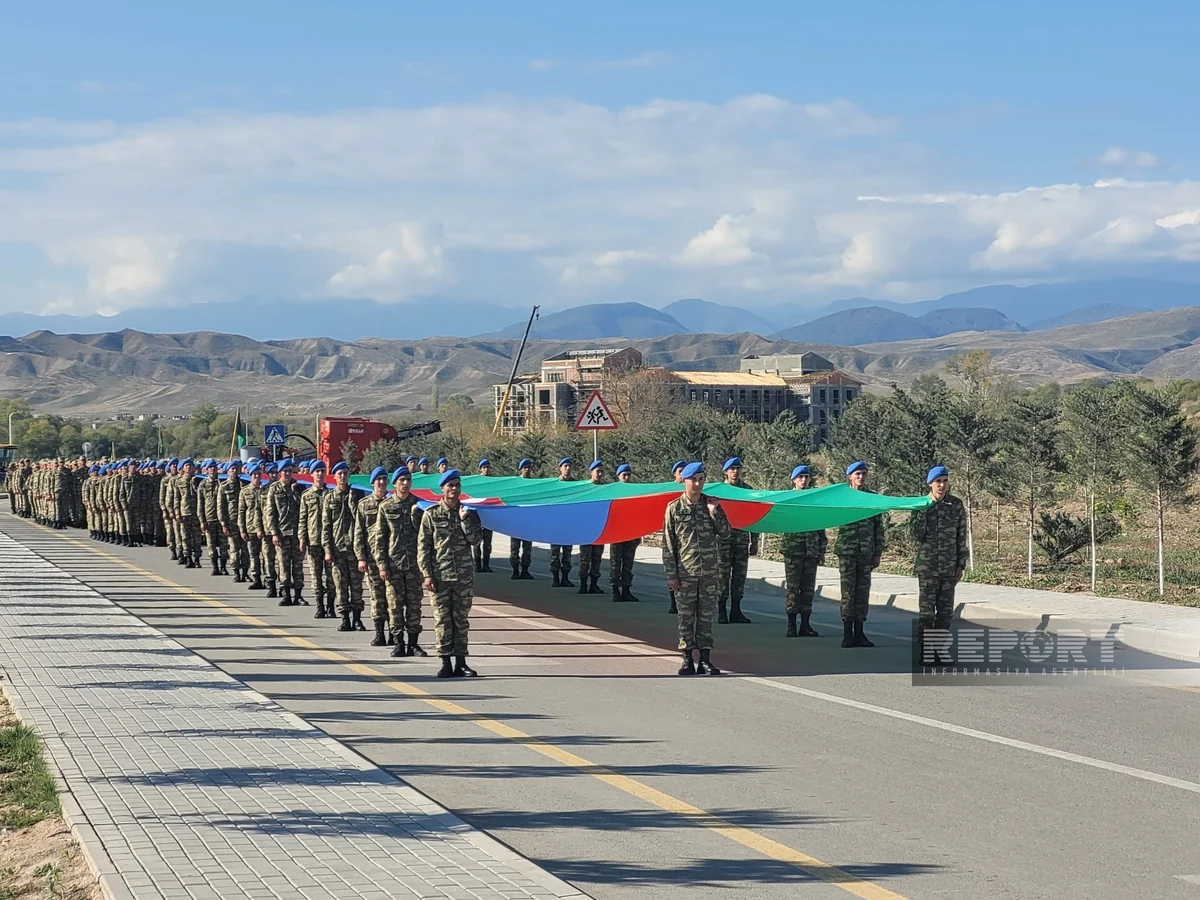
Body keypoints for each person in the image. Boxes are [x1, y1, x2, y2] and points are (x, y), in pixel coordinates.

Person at [663, 462, 731, 676]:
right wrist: (671, 575)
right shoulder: (674, 508)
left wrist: (714, 512)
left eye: (701, 479)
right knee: (686, 617)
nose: (698, 483)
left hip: (709, 573)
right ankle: (686, 659)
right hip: (685, 573)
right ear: (684, 480)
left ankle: (705, 660)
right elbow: (668, 544)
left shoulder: (711, 505)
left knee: (706, 616)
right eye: (694, 479)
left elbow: (727, 532)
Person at [418, 469, 484, 677]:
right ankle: (445, 661)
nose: (454, 489)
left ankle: (461, 662)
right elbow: (424, 547)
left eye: (457, 485)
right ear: (443, 489)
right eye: (450, 485)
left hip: (463, 576)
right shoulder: (431, 514)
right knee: (442, 620)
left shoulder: (469, 513)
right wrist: (427, 574)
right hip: (440, 576)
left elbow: (476, 541)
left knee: (461, 620)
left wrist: (465, 520)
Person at [911, 465, 968, 665]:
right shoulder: (921, 504)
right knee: (927, 613)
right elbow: (917, 535)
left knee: (944, 613)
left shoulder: (956, 505)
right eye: (938, 481)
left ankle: (938, 651)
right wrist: (925, 510)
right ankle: (925, 652)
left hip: (949, 567)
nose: (942, 485)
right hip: (928, 567)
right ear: (930, 483)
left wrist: (961, 563)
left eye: (944, 481)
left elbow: (962, 535)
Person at [375, 466, 427, 658]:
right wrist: (382, 565)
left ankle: (414, 644)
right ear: (395, 483)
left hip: (414, 565)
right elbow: (379, 538)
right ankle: (398, 643)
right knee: (395, 606)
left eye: (408, 480)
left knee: (414, 605)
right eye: (402, 480)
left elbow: (426, 537)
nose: (405, 484)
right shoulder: (386, 507)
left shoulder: (419, 505)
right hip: (393, 564)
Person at [834, 461, 885, 648]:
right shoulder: (842, 496)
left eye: (864, 473)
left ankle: (860, 632)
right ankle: (847, 633)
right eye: (857, 474)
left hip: (866, 552)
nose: (861, 477)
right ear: (850, 476)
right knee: (848, 593)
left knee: (862, 593)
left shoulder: (872, 498)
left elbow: (879, 527)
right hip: (847, 552)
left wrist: (877, 551)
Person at [781, 465, 825, 637]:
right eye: (800, 477)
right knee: (793, 588)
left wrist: (821, 549)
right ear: (793, 480)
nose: (804, 480)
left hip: (811, 551)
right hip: (793, 550)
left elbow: (820, 525)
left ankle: (805, 625)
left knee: (808, 589)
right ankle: (791, 624)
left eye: (806, 477)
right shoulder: (788, 499)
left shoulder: (813, 500)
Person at [322, 460, 364, 631]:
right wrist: (327, 549)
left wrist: (353, 500)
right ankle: (345, 618)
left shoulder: (356, 494)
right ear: (335, 477)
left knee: (356, 585)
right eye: (339, 474)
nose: (342, 477)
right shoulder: (329, 497)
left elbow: (360, 520)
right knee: (340, 585)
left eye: (345, 474)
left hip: (354, 549)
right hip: (338, 548)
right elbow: (326, 525)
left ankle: (357, 619)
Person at [355, 466, 392, 646]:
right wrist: (361, 557)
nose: (382, 482)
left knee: (393, 597)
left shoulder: (394, 503)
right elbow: (359, 532)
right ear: (373, 482)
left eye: (384, 479)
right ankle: (379, 632)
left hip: (392, 557)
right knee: (377, 596)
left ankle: (394, 632)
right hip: (372, 557)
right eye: (379, 479)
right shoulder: (364, 504)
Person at [717, 457, 757, 624]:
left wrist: (754, 540)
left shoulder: (747, 490)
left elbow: (755, 516)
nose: (735, 471)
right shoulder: (718, 491)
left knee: (739, 576)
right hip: (722, 540)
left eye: (738, 468)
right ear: (725, 472)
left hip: (741, 540)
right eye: (732, 468)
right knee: (722, 575)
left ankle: (736, 610)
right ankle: (721, 611)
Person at [265, 458, 305, 606]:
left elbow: (304, 510)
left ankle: (298, 595)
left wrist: (297, 492)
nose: (287, 473)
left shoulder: (299, 487)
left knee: (298, 565)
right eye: (285, 471)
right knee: (284, 564)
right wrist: (274, 532)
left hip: (297, 533)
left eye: (290, 470)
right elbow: (270, 513)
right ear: (280, 472)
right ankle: (286, 594)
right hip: (282, 533)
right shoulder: (274, 489)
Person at [300, 460, 331, 615]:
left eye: (322, 471)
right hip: (313, 541)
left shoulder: (331, 494)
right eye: (316, 471)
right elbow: (302, 519)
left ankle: (331, 606)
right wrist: (302, 540)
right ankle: (320, 606)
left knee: (332, 577)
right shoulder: (306, 496)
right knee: (316, 576)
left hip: (330, 543)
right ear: (311, 474)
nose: (319, 474)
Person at [609, 463, 640, 602]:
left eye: (628, 475)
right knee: (616, 563)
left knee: (628, 562)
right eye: (624, 475)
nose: (626, 478)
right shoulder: (613, 491)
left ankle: (626, 589)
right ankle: (615, 590)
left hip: (630, 533)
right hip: (616, 533)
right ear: (618, 476)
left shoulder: (634, 492)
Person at [577, 460, 606, 594]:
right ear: (591, 472)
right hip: (586, 529)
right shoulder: (585, 488)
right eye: (597, 471)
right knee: (585, 558)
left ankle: (594, 584)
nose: (599, 474)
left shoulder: (606, 488)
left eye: (601, 471)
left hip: (599, 528)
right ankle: (583, 584)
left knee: (597, 557)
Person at [238, 463, 267, 590]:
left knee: (267, 555)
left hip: (265, 528)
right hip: (251, 528)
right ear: (250, 476)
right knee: (254, 555)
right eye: (254, 474)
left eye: (259, 474)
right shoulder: (245, 491)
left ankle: (268, 578)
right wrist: (242, 529)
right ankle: (256, 578)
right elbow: (241, 511)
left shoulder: (266, 490)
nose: (257, 476)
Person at [218, 459, 247, 582]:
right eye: (232, 469)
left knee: (245, 549)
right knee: (234, 549)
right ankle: (236, 572)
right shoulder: (224, 486)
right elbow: (221, 506)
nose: (234, 471)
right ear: (228, 472)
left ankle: (245, 572)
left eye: (236, 469)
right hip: (232, 522)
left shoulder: (244, 485)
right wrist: (224, 524)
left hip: (245, 522)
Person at [550, 458, 575, 587]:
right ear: (560, 468)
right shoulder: (554, 484)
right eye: (565, 466)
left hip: (568, 524)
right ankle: (555, 578)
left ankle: (565, 577)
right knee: (555, 552)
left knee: (567, 552)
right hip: (556, 524)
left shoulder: (576, 484)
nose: (567, 468)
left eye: (569, 466)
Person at [509, 458, 535, 579]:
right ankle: (515, 570)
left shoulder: (533, 484)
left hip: (528, 521)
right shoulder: (515, 484)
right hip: (516, 521)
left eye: (529, 468)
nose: (527, 470)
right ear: (521, 469)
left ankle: (525, 570)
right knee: (515, 548)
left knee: (527, 548)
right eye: (525, 468)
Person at [666, 460, 686, 614]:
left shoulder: (690, 490)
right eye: (680, 471)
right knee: (672, 569)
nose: (683, 474)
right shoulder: (668, 490)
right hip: (672, 536)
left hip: (687, 541)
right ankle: (673, 601)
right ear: (674, 474)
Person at [473, 458, 494, 572]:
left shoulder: (492, 482)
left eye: (488, 467)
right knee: (477, 542)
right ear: (480, 469)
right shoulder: (476, 482)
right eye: (484, 467)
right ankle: (477, 564)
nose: (486, 469)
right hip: (477, 516)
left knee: (487, 543)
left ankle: (486, 564)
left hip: (488, 517)